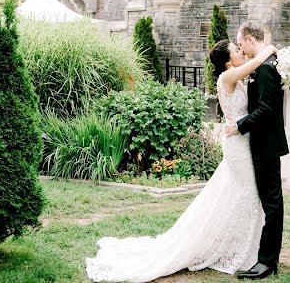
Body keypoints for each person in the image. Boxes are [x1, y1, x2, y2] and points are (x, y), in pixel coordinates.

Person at [85, 39, 277, 282]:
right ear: (229, 62)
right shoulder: (227, 78)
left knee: (235, 194)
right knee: (247, 193)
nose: (242, 52)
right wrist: (270, 49)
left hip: (244, 141)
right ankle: (242, 251)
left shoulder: (238, 78)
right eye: (237, 50)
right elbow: (258, 60)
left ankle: (241, 246)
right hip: (236, 145)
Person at [224, 21, 289, 279]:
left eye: (241, 45)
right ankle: (265, 257)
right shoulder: (266, 64)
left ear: (251, 39)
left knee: (272, 203)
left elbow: (266, 110)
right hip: (263, 143)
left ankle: (267, 262)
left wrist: (239, 125)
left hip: (266, 144)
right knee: (270, 201)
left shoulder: (265, 69)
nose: (241, 49)